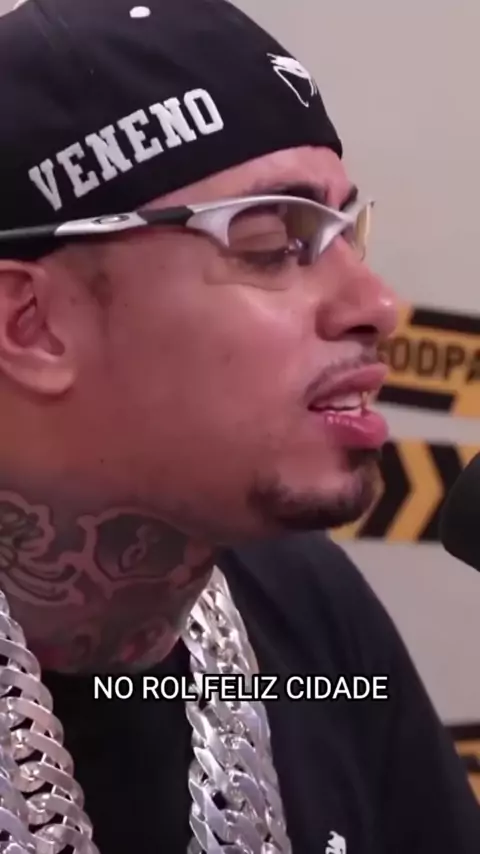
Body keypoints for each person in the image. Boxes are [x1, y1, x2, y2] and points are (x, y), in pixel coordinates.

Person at [0, 0, 478, 852]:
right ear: (30, 325)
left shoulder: (309, 606)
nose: (376, 306)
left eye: (349, 234)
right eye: (271, 242)